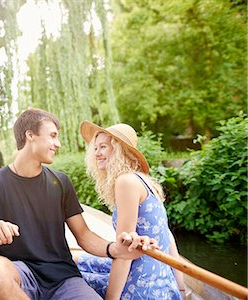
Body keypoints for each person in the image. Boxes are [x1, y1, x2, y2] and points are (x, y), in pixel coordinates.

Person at [0, 108, 157, 300]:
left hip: (64, 278)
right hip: (21, 277)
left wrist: (115, 249)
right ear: (30, 135)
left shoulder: (61, 182)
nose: (58, 143)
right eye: (53, 136)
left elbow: (84, 235)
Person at [75, 121, 186, 299]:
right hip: (162, 279)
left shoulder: (126, 182)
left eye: (103, 147)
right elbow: (168, 236)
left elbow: (125, 251)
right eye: (95, 148)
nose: (97, 153)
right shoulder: (143, 180)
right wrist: (180, 289)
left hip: (142, 285)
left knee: (68, 277)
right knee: (77, 259)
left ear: (119, 150)